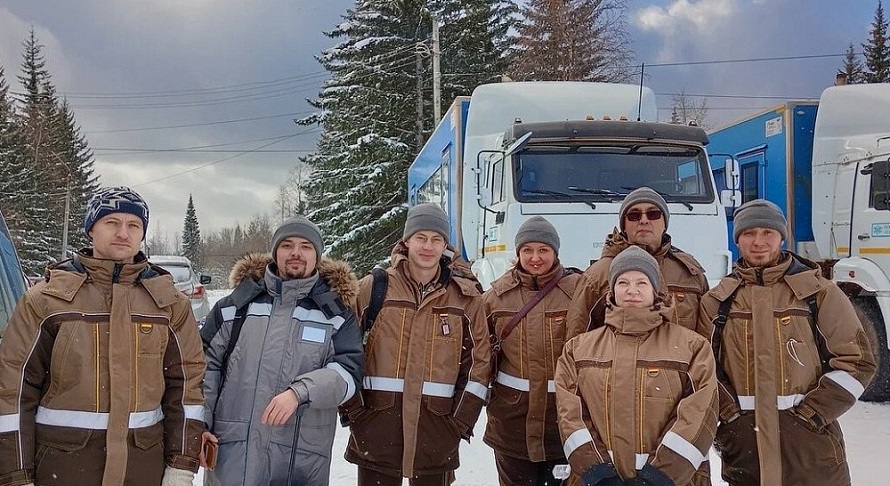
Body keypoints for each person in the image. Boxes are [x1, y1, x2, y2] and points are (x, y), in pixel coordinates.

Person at [0, 186, 206, 486]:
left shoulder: (170, 304)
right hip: (62, 469)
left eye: (133, 225)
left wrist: (181, 467)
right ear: (91, 229)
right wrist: (16, 475)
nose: (123, 233)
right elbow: (14, 389)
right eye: (112, 222)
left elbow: (186, 388)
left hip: (142, 470)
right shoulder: (46, 301)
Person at [698, 199, 876, 486]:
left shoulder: (819, 293)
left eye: (767, 232)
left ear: (782, 237)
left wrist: (812, 415)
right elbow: (703, 369)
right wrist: (731, 416)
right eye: (749, 233)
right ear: (737, 239)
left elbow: (857, 361)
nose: (758, 242)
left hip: (810, 452)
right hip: (746, 453)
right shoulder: (717, 302)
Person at [200, 215, 363, 486]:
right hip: (233, 455)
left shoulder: (335, 314)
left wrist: (300, 392)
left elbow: (347, 374)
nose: (296, 252)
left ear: (317, 255)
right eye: (287, 245)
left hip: (298, 458)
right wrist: (201, 424)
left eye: (305, 246)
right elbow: (205, 367)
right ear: (275, 252)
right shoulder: (235, 306)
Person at [342, 203, 491, 486]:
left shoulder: (464, 298)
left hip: (436, 432)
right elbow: (343, 350)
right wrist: (355, 412)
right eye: (421, 237)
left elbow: (478, 365)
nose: (428, 246)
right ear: (407, 240)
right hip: (377, 430)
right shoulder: (375, 287)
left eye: (436, 239)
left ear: (445, 245)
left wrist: (459, 423)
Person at [556, 246, 718, 486]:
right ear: (612, 290)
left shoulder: (692, 347)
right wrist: (597, 472)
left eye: (642, 282)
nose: (632, 290)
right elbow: (570, 415)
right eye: (623, 283)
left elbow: (699, 414)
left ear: (655, 290)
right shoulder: (578, 349)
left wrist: (659, 477)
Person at [482, 216, 583, 485]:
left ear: (555, 252)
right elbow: (475, 347)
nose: (535, 258)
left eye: (543, 250)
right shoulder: (497, 296)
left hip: (563, 424)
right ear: (518, 253)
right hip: (512, 425)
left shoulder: (578, 292)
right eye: (527, 250)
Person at [566, 187, 708, 336]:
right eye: (634, 215)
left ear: (665, 223)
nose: (644, 221)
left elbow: (706, 336)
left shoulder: (690, 273)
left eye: (653, 214)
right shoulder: (596, 277)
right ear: (624, 226)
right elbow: (577, 338)